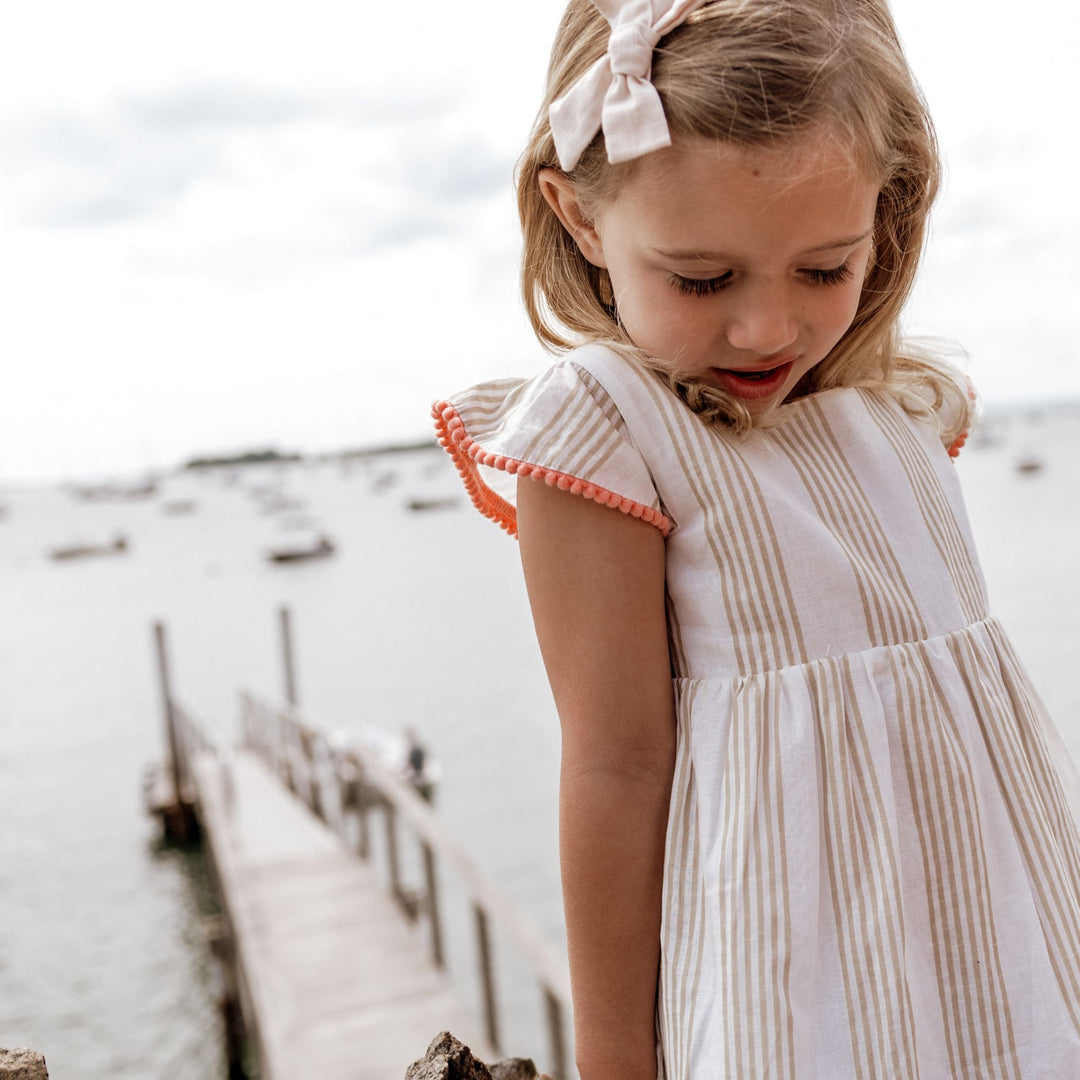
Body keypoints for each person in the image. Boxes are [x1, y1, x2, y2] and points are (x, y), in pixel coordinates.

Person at [433, 1, 1080, 1076]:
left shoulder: (904, 403)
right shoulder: (608, 428)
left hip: (1007, 959)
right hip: (791, 981)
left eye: (825, 269)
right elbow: (617, 767)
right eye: (701, 278)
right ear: (581, 217)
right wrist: (614, 1058)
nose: (766, 328)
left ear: (891, 207)